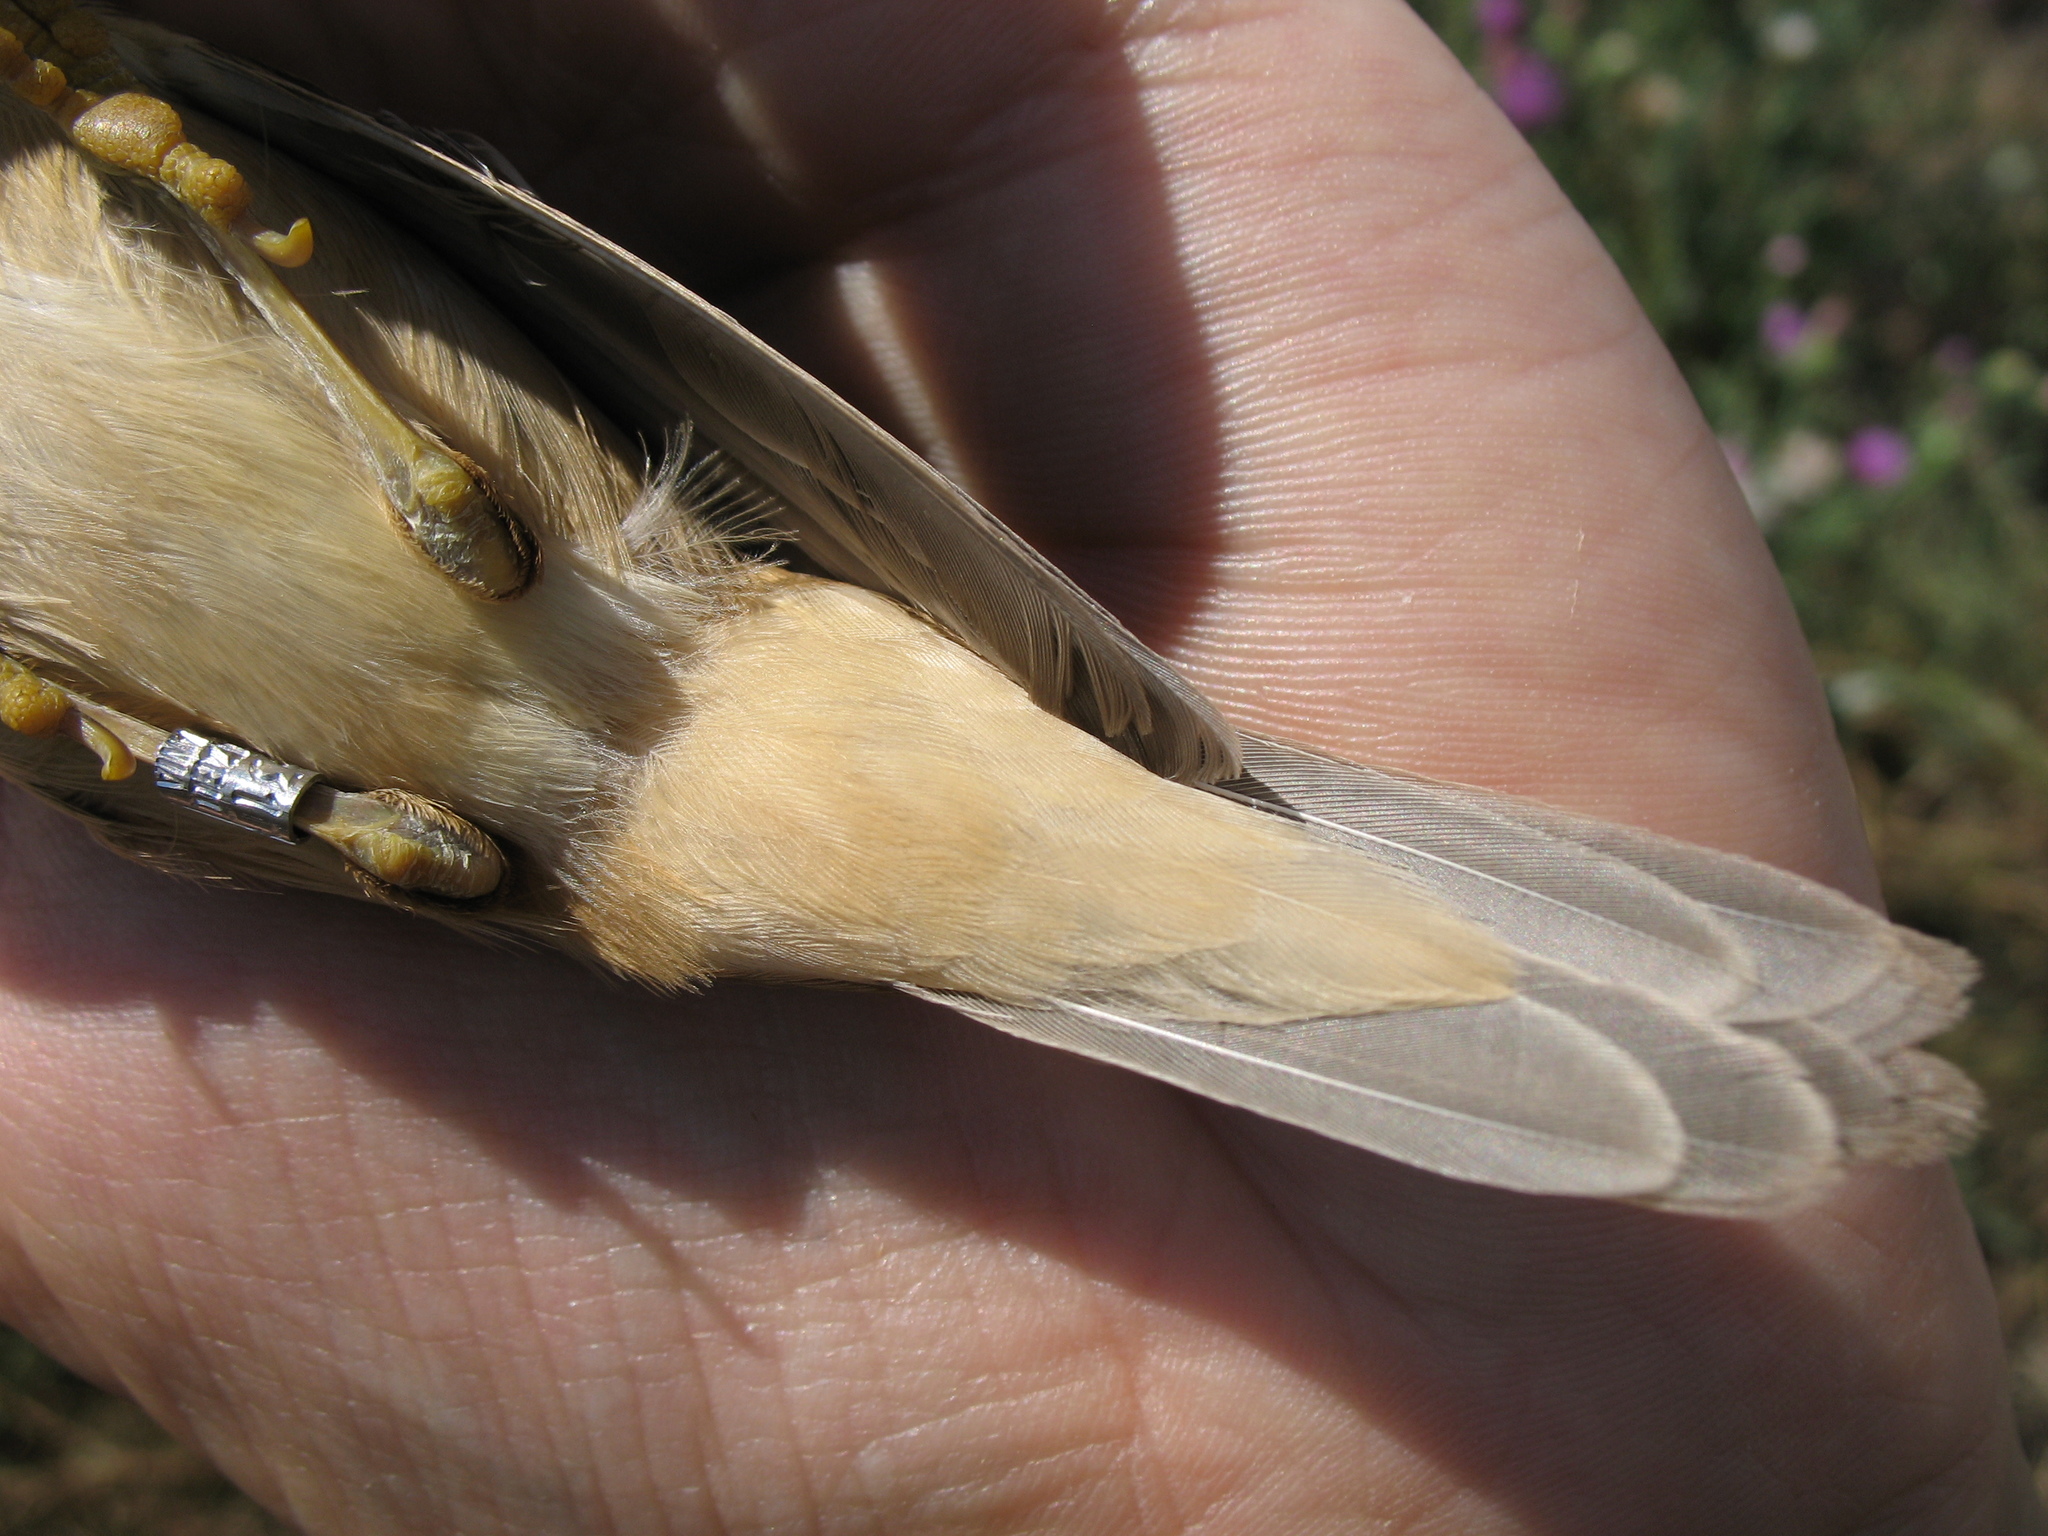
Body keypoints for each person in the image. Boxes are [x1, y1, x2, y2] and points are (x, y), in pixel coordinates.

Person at [0, 0, 2035, 1529]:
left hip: (696, 635)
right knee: (400, 765)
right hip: (568, 797)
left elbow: (475, 245)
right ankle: (330, 791)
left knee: (449, 650)